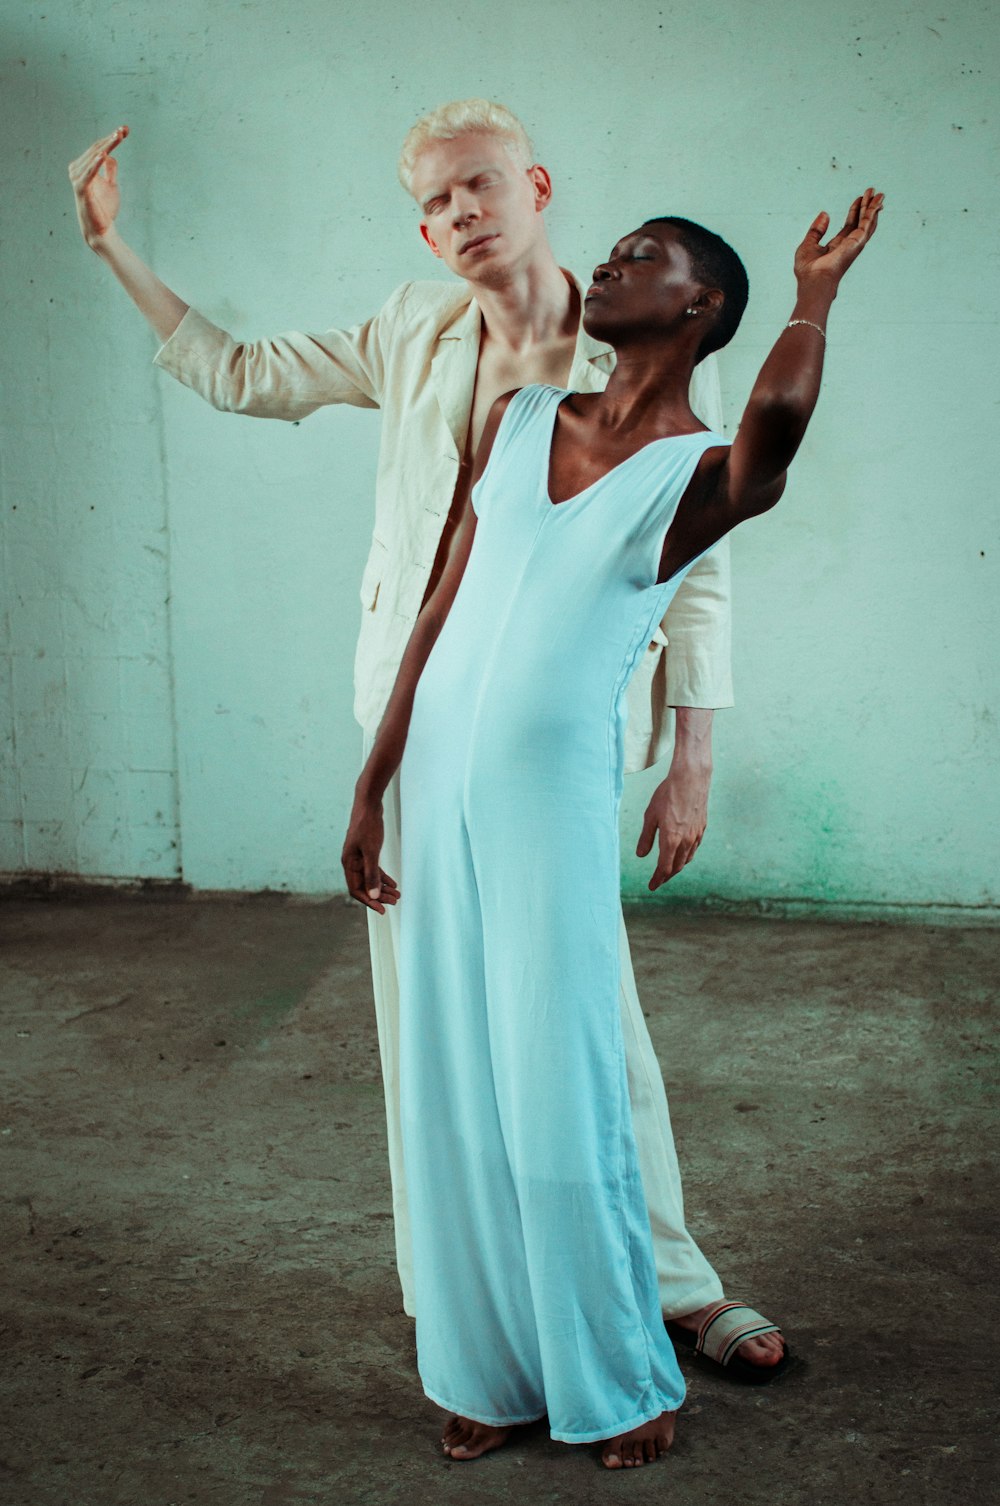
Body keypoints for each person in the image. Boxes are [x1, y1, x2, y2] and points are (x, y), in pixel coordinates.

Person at [68, 100, 784, 1377]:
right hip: (413, 710)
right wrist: (114, 249)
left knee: (584, 1018)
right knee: (429, 1018)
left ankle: (667, 1281)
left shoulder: (639, 338)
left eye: (478, 186)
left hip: (556, 724)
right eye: (436, 201)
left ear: (535, 185)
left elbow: (702, 566)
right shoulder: (412, 326)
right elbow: (243, 373)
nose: (459, 214)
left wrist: (692, 754)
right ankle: (459, 1292)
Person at [342, 190, 883, 1467]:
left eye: (644, 257)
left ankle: (614, 1370)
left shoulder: (694, 475)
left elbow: (779, 427)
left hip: (545, 799)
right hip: (432, 777)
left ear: (699, 311)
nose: (609, 262)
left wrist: (813, 296)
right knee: (451, 1073)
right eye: (616, 248)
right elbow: (439, 607)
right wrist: (374, 779)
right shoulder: (527, 415)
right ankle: (485, 1368)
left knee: (557, 1073)